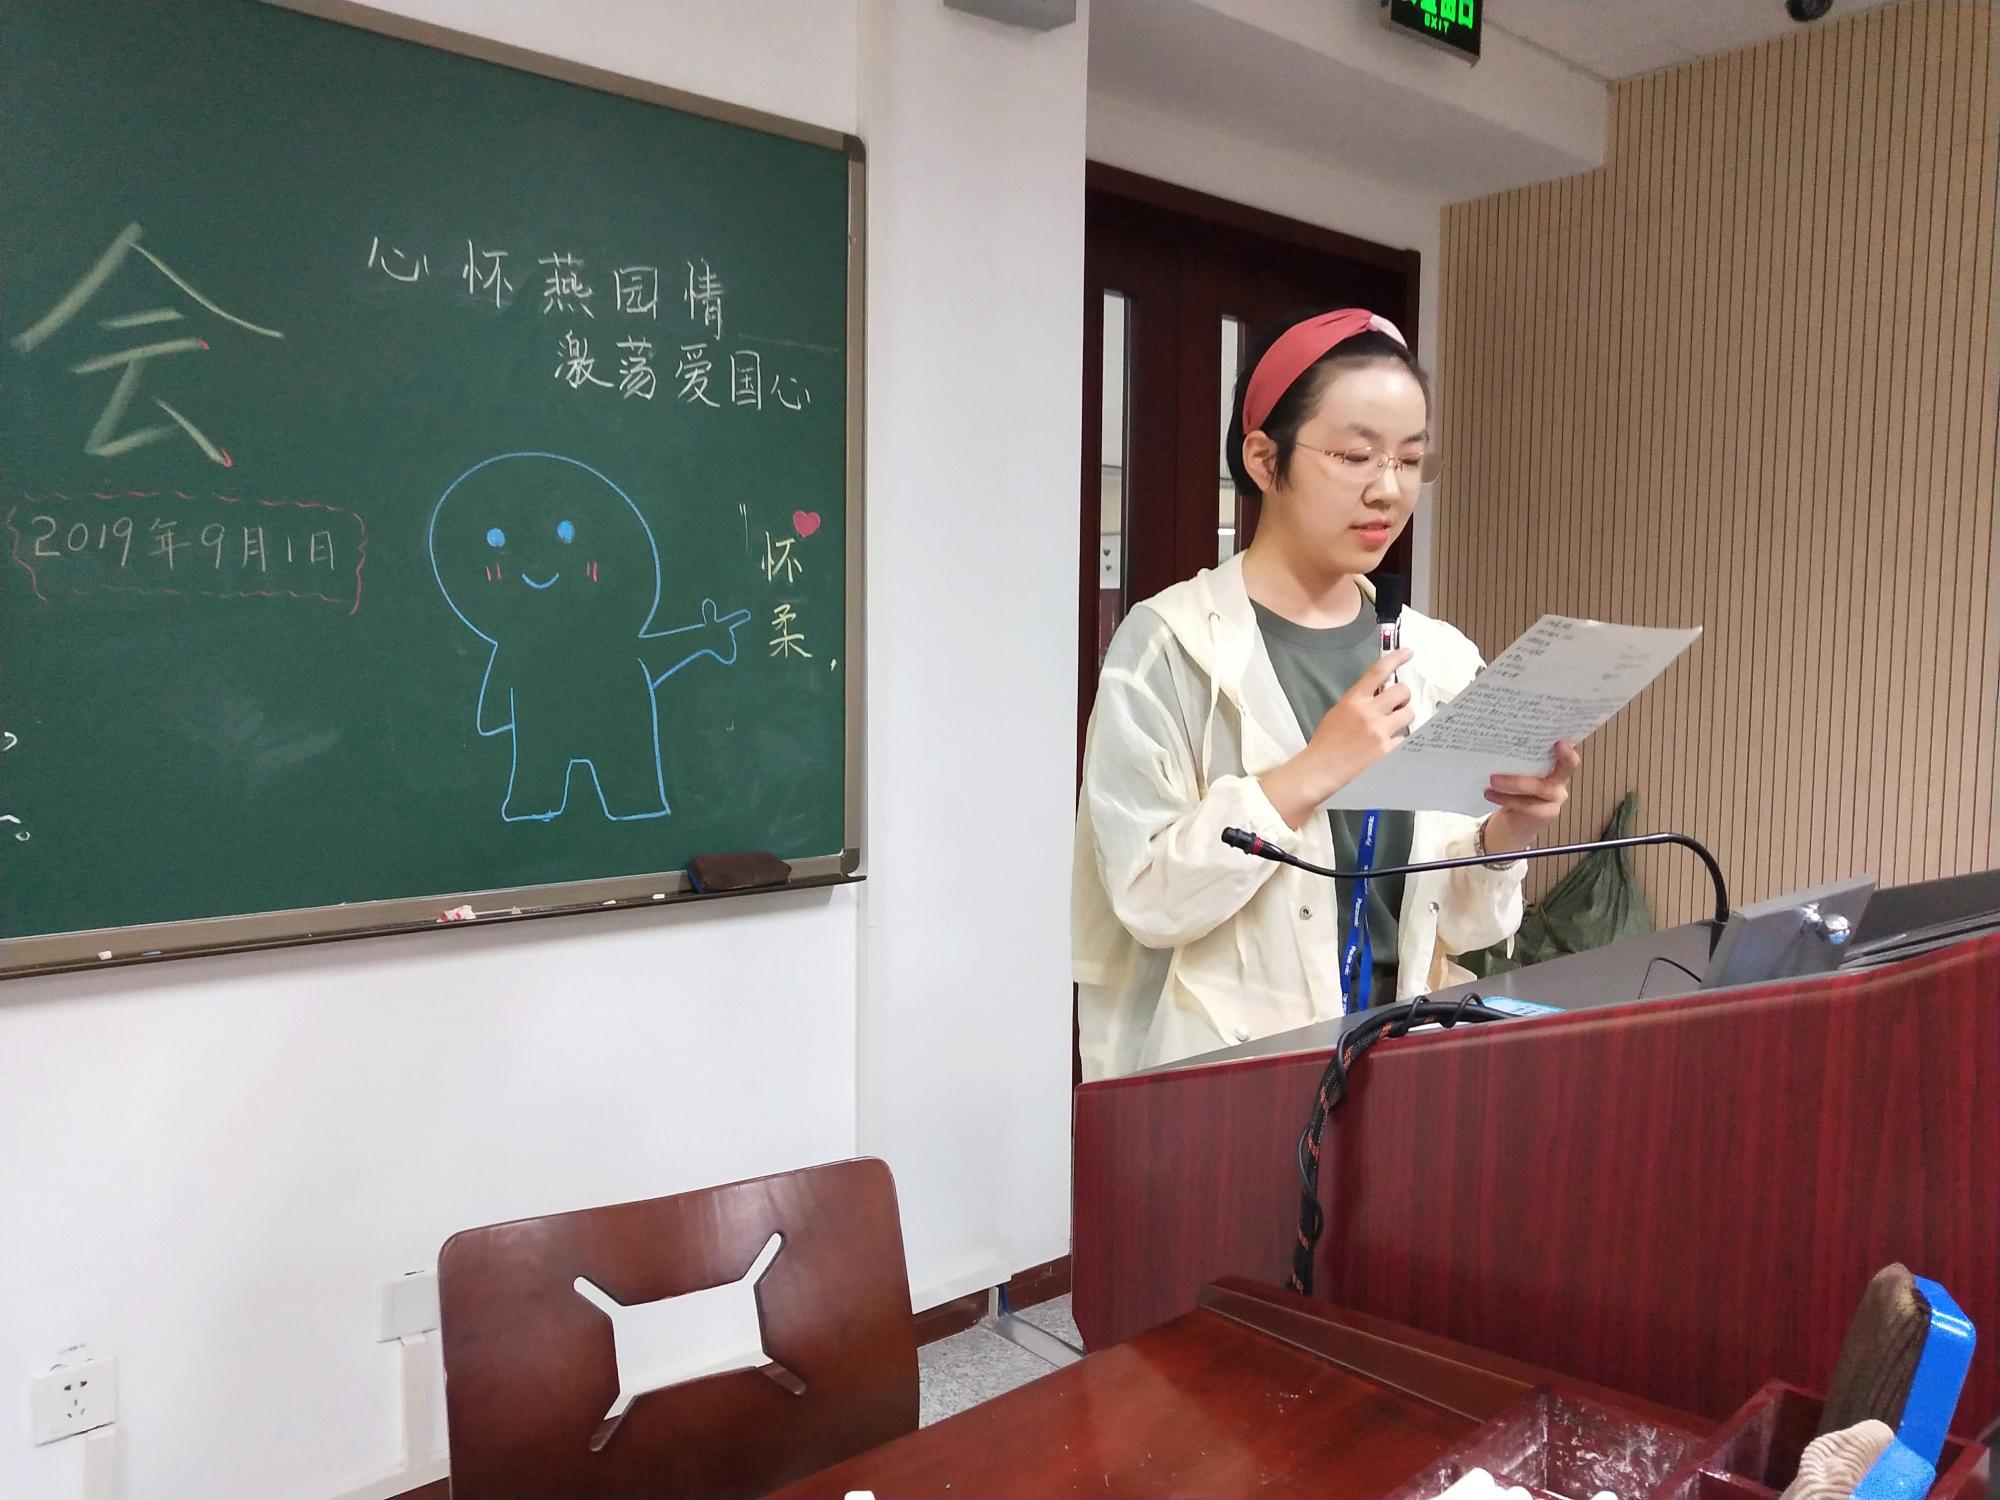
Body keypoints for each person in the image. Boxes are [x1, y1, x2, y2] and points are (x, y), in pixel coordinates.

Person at [1073, 308, 1582, 1081]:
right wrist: (1313, 770)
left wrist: (1507, 832)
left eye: (1410, 460)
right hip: (1230, 1084)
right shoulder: (1168, 646)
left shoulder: (1437, 657)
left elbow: (1454, 924)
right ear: (1263, 458)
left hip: (1400, 1071)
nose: (1388, 490)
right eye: (1354, 456)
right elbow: (1147, 899)